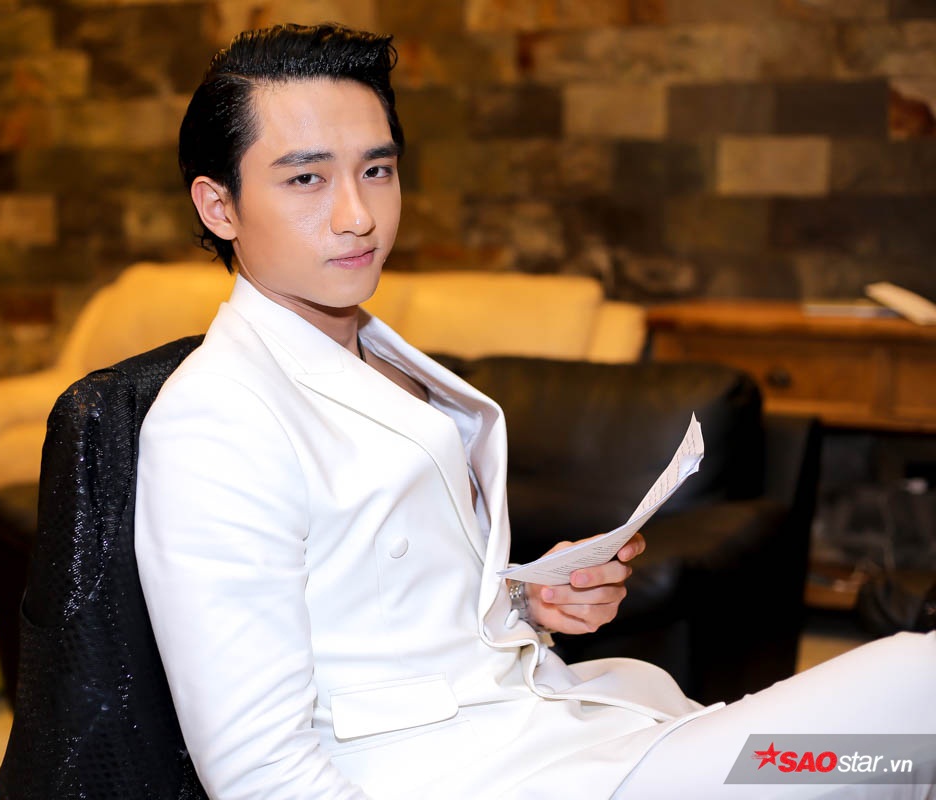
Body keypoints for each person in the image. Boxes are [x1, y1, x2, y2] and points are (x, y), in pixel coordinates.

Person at [134, 23, 936, 799]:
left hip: (558, 729)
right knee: (912, 687)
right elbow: (258, 772)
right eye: (306, 179)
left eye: (376, 170)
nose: (358, 215)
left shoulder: (377, 354)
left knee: (887, 762)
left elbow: (383, 602)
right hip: (463, 776)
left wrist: (528, 600)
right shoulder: (213, 419)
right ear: (219, 206)